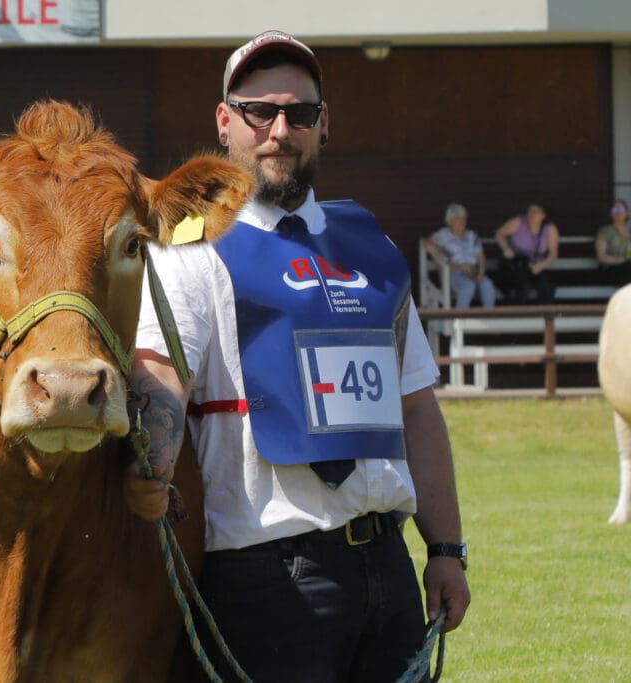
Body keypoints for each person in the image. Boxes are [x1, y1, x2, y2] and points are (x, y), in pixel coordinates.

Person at [123, 31, 470, 682]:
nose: (281, 129)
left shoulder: (371, 244)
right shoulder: (186, 251)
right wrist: (151, 461)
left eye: (301, 113)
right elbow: (162, 374)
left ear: (323, 125)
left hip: (388, 569)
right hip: (267, 580)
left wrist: (446, 550)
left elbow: (417, 407)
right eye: (260, 112)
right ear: (225, 123)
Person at [427, 203, 496, 308]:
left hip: (473, 270)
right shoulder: (443, 235)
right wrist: (442, 256)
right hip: (455, 272)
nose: (462, 222)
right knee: (468, 286)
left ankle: (489, 317)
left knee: (487, 285)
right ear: (449, 222)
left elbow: (480, 256)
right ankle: (460, 319)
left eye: (464, 219)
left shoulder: (472, 235)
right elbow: (426, 244)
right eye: (458, 220)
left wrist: (481, 272)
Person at [493, 202, 559, 304]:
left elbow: (553, 254)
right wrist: (506, 248)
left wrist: (542, 265)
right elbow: (499, 233)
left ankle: (543, 316)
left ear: (543, 215)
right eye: (530, 210)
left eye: (536, 212)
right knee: (523, 287)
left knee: (546, 288)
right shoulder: (518, 222)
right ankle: (518, 316)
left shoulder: (550, 229)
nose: (531, 214)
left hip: (535, 267)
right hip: (516, 264)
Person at [595, 199, 631, 288]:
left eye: (620, 210)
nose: (618, 212)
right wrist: (623, 260)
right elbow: (601, 257)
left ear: (627, 213)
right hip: (612, 269)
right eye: (615, 210)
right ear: (611, 214)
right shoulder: (604, 231)